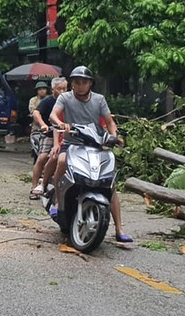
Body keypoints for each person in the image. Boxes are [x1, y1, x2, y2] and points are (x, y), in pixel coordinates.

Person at [48, 65, 131, 243]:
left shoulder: (99, 100)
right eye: (76, 82)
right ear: (71, 83)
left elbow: (110, 122)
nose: (80, 85)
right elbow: (53, 115)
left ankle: (119, 228)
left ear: (90, 84)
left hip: (95, 144)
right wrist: (61, 125)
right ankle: (57, 200)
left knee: (110, 183)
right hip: (72, 144)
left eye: (84, 82)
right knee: (61, 161)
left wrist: (114, 137)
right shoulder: (65, 97)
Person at [29, 77, 66, 199]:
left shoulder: (70, 101)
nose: (62, 91)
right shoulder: (48, 101)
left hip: (67, 135)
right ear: (53, 89)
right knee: (43, 157)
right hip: (49, 134)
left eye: (64, 88)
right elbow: (36, 113)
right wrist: (43, 125)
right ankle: (35, 187)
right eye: (59, 89)